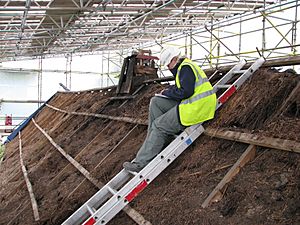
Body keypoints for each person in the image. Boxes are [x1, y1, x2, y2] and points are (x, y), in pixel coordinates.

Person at [123, 47, 217, 172]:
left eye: (168, 64)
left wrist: (168, 92)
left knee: (158, 125)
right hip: (194, 104)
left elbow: (185, 92)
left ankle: (141, 163)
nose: (168, 67)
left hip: (196, 109)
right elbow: (184, 88)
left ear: (174, 59)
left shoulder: (185, 68)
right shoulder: (184, 67)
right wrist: (168, 92)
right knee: (156, 102)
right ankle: (155, 141)